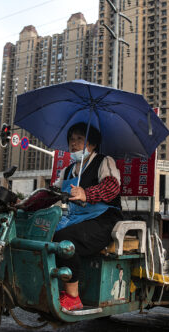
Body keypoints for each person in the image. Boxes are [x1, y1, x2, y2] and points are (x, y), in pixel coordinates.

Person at [53, 123, 123, 311]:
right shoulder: (68, 171)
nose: (73, 144)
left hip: (103, 219)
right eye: (71, 139)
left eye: (79, 139)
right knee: (45, 236)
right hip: (76, 218)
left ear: (91, 144)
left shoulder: (104, 161)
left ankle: (72, 296)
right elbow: (52, 193)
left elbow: (111, 187)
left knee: (64, 240)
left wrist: (87, 194)